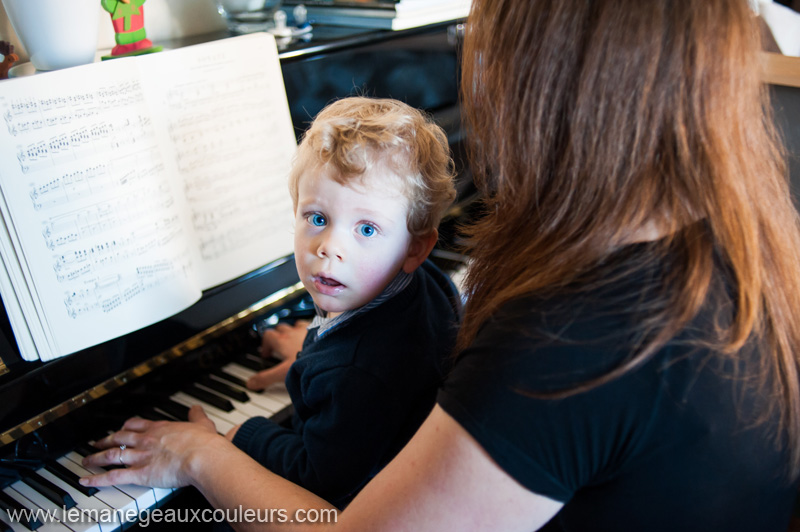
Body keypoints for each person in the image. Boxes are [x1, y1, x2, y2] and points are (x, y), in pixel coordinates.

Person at [80, 1, 800, 531]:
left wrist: (200, 453)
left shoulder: (573, 338)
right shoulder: (734, 237)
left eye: (485, 48)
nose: (478, 79)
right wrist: (344, 346)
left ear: (550, 87)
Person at [222, 96, 460, 508]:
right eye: (317, 218)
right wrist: (316, 354)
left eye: (366, 229)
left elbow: (318, 477)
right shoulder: (425, 283)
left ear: (415, 248)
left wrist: (241, 436)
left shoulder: (360, 372)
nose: (329, 247)